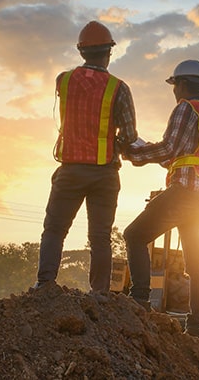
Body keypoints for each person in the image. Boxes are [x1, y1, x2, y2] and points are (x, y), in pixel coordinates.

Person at [34, 20, 138, 303]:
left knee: (54, 229)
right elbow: (129, 137)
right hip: (104, 173)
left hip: (70, 170)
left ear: (81, 51)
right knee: (101, 236)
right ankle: (100, 295)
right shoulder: (119, 88)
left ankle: (44, 286)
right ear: (109, 52)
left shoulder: (63, 80)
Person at [122, 59, 199, 337]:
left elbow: (168, 149)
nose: (174, 91)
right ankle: (197, 325)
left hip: (184, 194)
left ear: (181, 84)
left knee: (134, 235)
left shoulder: (184, 109)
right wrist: (149, 152)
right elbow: (182, 158)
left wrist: (134, 153)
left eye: (174, 85)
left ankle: (140, 300)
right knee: (197, 262)